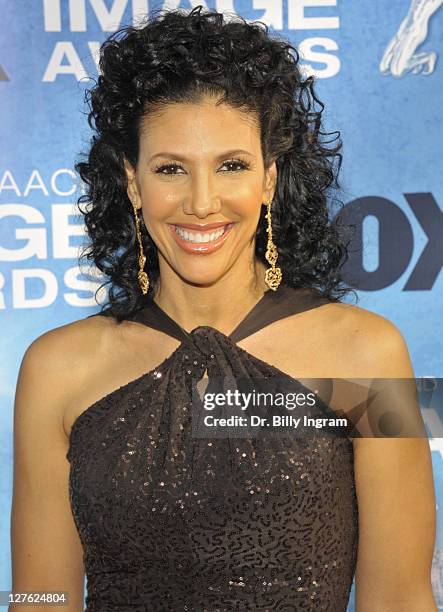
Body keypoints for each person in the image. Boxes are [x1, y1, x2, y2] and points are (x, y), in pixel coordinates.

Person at [9, 6, 437, 611]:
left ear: (269, 177)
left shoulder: (366, 357)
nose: (203, 202)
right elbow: (40, 599)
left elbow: (398, 598)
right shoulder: (57, 369)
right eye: (171, 170)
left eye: (232, 166)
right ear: (133, 182)